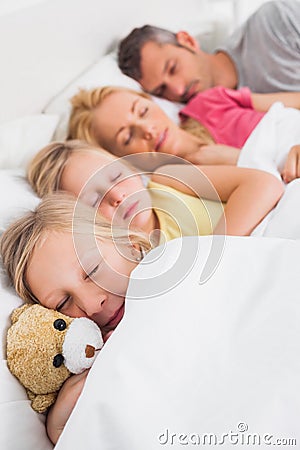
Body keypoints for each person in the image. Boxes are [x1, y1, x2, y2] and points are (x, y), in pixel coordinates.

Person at [0, 193, 152, 444]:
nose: (91, 305)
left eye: (93, 270)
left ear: (128, 242)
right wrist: (59, 427)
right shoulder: (91, 368)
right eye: (62, 303)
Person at [27, 140, 284, 239]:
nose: (117, 196)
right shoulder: (129, 262)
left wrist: (218, 249)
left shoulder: (168, 180)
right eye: (95, 201)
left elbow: (264, 184)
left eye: (116, 176)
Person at [68, 84, 300, 173]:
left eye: (143, 111)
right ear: (118, 157)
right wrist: (242, 159)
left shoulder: (209, 103)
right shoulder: (178, 186)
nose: (148, 130)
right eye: (128, 137)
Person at [118, 1, 300, 102]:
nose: (178, 90)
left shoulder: (274, 23)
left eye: (173, 68)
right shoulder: (212, 122)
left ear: (188, 41)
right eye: (162, 90)